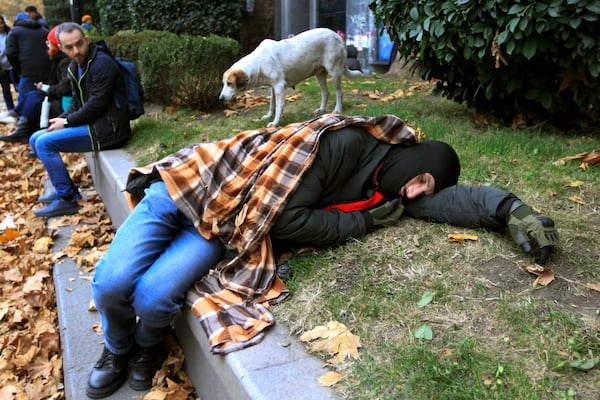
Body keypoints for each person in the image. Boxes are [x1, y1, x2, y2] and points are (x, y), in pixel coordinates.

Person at [86, 114, 558, 398]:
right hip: (189, 186)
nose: (415, 194)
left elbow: (449, 200)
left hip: (220, 226)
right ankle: (117, 348)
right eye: (420, 182)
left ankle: (145, 347)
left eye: (424, 190)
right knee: (110, 283)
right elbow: (286, 217)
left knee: (151, 296)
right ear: (414, 160)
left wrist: (509, 208)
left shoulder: (395, 184)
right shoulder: (348, 145)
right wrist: (362, 223)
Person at [27, 22, 131, 218]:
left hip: (109, 130)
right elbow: (76, 101)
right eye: (69, 47)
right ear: (61, 47)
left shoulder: (101, 63)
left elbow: (96, 104)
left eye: (79, 44)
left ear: (87, 40)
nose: (76, 51)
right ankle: (67, 190)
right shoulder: (75, 65)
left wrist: (66, 123)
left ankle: (67, 199)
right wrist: (61, 118)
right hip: (93, 124)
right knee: (35, 138)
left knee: (44, 143)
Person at [0, 25, 71, 143]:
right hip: (61, 98)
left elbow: (65, 87)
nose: (47, 47)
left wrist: (45, 88)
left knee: (35, 100)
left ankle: (28, 132)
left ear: (57, 46)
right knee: (32, 95)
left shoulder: (64, 62)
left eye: (49, 44)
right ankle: (23, 130)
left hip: (65, 102)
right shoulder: (59, 60)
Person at [6, 12, 50, 104]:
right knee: (45, 98)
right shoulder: (44, 30)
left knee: (24, 101)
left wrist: (19, 71)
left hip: (27, 70)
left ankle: (24, 116)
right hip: (47, 69)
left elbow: (10, 53)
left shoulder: (14, 31)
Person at [0, 15, 16, 123]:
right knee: (6, 89)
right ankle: (11, 109)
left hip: (12, 65)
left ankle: (21, 109)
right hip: (1, 67)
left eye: (1, 23)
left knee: (18, 86)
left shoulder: (10, 33)